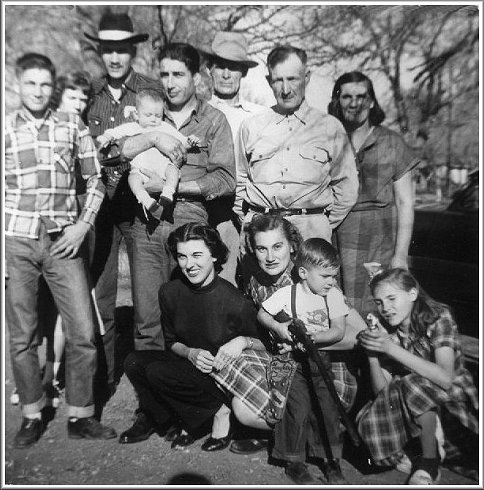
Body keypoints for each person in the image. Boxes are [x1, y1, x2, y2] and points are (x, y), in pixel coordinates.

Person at [5, 52, 115, 448]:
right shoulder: (5, 128)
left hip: (63, 243)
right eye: (30, 83)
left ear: (54, 89)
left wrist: (83, 226)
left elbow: (96, 181)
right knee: (22, 337)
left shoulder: (72, 126)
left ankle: (81, 415)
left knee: (83, 331)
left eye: (45, 84)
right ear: (18, 84)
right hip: (17, 242)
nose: (37, 91)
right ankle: (32, 413)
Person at [227, 214, 366, 484]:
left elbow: (353, 336)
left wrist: (310, 340)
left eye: (277, 247)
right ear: (252, 249)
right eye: (261, 248)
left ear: (292, 246)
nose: (269, 257)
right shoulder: (257, 280)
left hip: (327, 363)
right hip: (290, 363)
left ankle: (321, 452)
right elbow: (268, 329)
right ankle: (292, 449)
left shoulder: (311, 277)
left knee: (317, 406)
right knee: (242, 408)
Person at [119, 42, 234, 355]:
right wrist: (152, 136)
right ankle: (152, 398)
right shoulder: (148, 115)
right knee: (147, 318)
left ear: (196, 78)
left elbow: (225, 180)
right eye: (164, 74)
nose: (170, 82)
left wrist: (172, 186)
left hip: (191, 223)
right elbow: (113, 154)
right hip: (147, 223)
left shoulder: (213, 120)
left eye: (178, 74)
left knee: (190, 316)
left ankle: (190, 395)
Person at [84, 11, 168, 397]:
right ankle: (103, 379)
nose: (115, 58)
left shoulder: (151, 91)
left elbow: (167, 139)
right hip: (101, 210)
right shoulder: (91, 95)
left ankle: (150, 383)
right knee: (101, 298)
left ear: (132, 50)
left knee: (146, 298)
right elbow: (92, 154)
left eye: (122, 50)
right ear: (100, 52)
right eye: (108, 50)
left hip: (140, 207)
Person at [120, 223, 262, 451]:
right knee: (134, 362)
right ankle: (170, 418)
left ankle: (219, 411)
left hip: (219, 378)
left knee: (159, 372)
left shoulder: (235, 301)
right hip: (188, 364)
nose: (189, 265)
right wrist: (190, 352)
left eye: (197, 255)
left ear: (214, 255)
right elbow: (171, 342)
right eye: (182, 257)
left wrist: (241, 342)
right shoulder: (169, 292)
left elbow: (264, 345)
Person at [357, 268, 478, 485]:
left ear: (412, 294)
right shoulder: (387, 329)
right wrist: (373, 354)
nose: (386, 308)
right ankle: (425, 445)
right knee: (367, 417)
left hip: (454, 400)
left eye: (392, 298)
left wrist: (391, 349)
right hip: (419, 403)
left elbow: (445, 378)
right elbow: (382, 393)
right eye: (379, 302)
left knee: (412, 383)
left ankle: (429, 463)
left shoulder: (438, 316)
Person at [236, 45, 358, 250]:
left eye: (292, 79)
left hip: (310, 234)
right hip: (260, 233)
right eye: (278, 80)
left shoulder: (329, 127)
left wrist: (321, 225)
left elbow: (347, 189)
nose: (285, 89)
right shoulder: (251, 126)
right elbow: (240, 180)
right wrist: (250, 222)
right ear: (269, 81)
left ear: (307, 77)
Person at [328, 71, 418, 318]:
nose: (354, 103)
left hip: (379, 245)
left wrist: (400, 256)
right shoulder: (330, 140)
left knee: (379, 311)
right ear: (337, 101)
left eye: (361, 96)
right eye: (347, 97)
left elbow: (405, 203)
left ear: (371, 101)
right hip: (338, 241)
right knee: (339, 314)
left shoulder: (392, 142)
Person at [202, 31, 266, 286]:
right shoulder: (199, 113)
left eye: (234, 68)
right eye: (221, 67)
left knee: (255, 285)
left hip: (250, 211)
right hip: (211, 210)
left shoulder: (259, 116)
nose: (227, 75)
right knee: (217, 285)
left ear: (243, 72)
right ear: (210, 70)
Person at [97, 88, 201, 218]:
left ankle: (168, 192)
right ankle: (145, 199)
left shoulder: (164, 126)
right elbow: (114, 132)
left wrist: (190, 142)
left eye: (158, 116)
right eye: (148, 115)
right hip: (140, 170)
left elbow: (180, 142)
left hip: (162, 167)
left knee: (173, 170)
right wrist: (105, 137)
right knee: (133, 179)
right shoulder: (133, 127)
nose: (153, 119)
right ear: (137, 114)